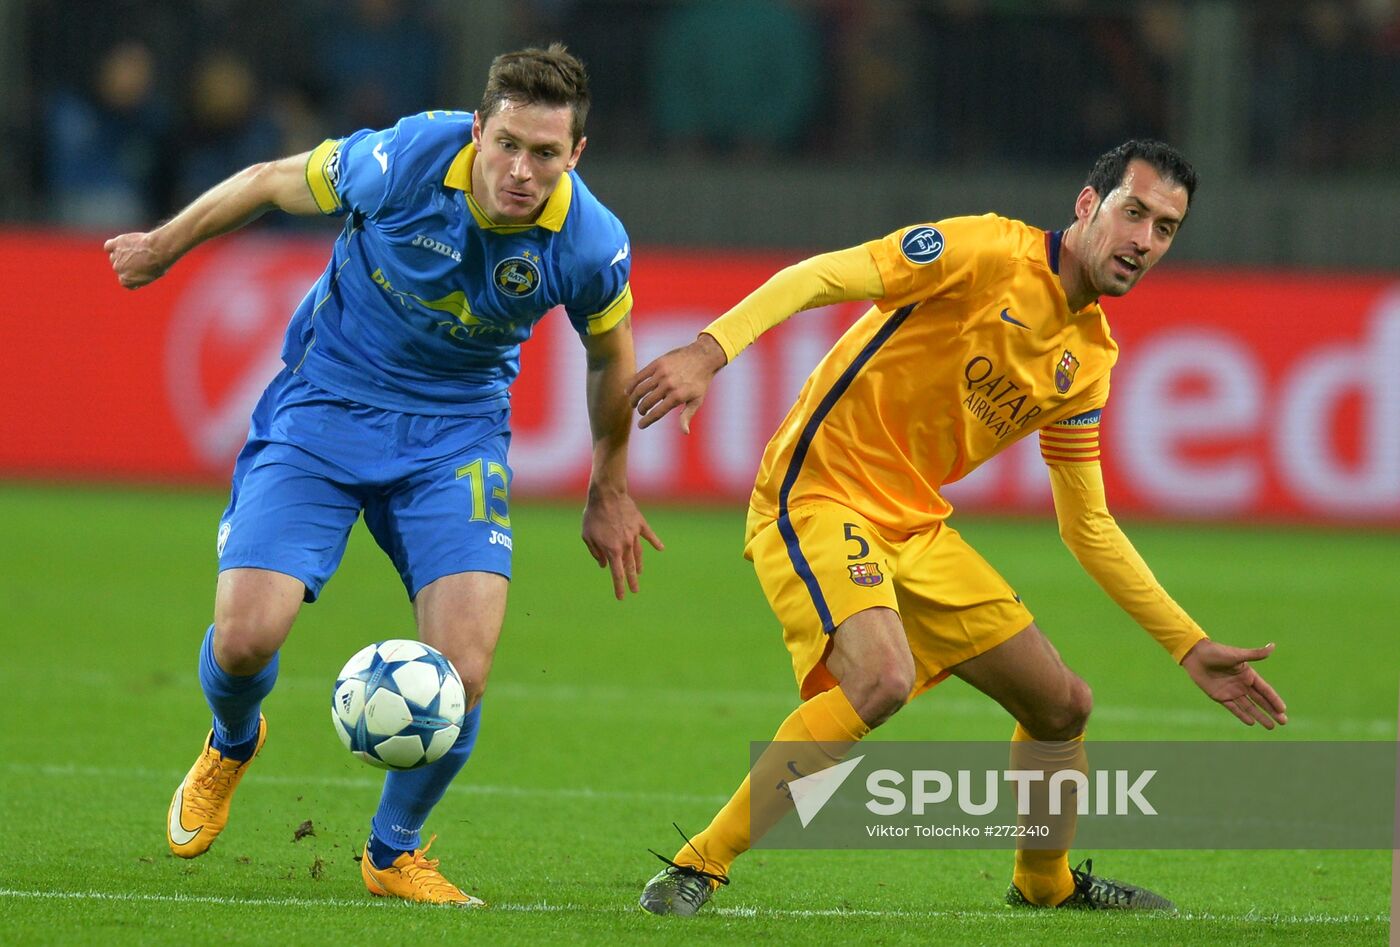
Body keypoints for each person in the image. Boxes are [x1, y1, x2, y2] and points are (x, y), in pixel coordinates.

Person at [626, 140, 1287, 915]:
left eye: (1166, 228)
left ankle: (1046, 882)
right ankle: (697, 865)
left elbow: (1088, 524)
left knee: (1062, 705)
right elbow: (822, 276)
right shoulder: (982, 249)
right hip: (820, 492)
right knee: (881, 677)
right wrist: (710, 350)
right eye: (1132, 212)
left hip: (916, 528)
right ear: (1087, 206)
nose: (1144, 240)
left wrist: (1187, 642)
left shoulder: (1091, 355)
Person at [105, 44, 660, 906]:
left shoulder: (589, 242)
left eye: (546, 154)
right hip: (324, 405)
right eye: (508, 144)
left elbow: (610, 358)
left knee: (464, 668)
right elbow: (264, 178)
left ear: (576, 155)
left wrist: (610, 484)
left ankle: (393, 851)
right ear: (479, 130)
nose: (521, 170)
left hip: (455, 438)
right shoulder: (406, 157)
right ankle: (231, 739)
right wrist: (163, 246)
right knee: (247, 635)